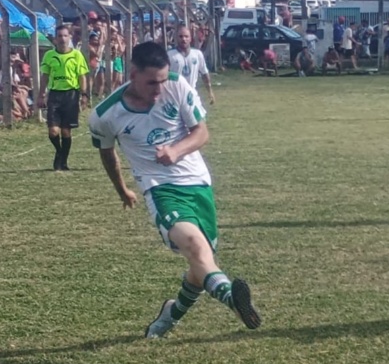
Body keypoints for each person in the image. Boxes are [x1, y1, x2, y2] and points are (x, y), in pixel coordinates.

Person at [89, 41, 261, 338]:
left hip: (198, 183)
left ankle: (170, 314)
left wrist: (176, 151)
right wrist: (122, 190)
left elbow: (201, 132)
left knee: (201, 263)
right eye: (151, 83)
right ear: (132, 74)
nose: (158, 89)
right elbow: (107, 154)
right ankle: (233, 300)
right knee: (195, 247)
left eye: (162, 80)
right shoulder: (106, 114)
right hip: (160, 189)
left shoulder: (176, 85)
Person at [38, 24, 90, 171]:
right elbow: (45, 76)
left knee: (66, 131)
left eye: (65, 36)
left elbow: (82, 76)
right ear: (55, 39)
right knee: (53, 131)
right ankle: (59, 153)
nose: (62, 39)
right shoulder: (49, 56)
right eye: (59, 36)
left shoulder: (76, 55)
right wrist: (41, 94)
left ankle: (63, 162)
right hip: (54, 94)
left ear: (70, 37)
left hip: (71, 95)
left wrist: (84, 94)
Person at [167, 25, 215, 105]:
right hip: (175, 96)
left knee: (199, 117)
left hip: (192, 94)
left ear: (190, 38)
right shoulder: (170, 55)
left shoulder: (197, 54)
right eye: (181, 36)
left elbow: (204, 73)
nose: (183, 39)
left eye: (186, 36)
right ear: (176, 38)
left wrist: (210, 92)